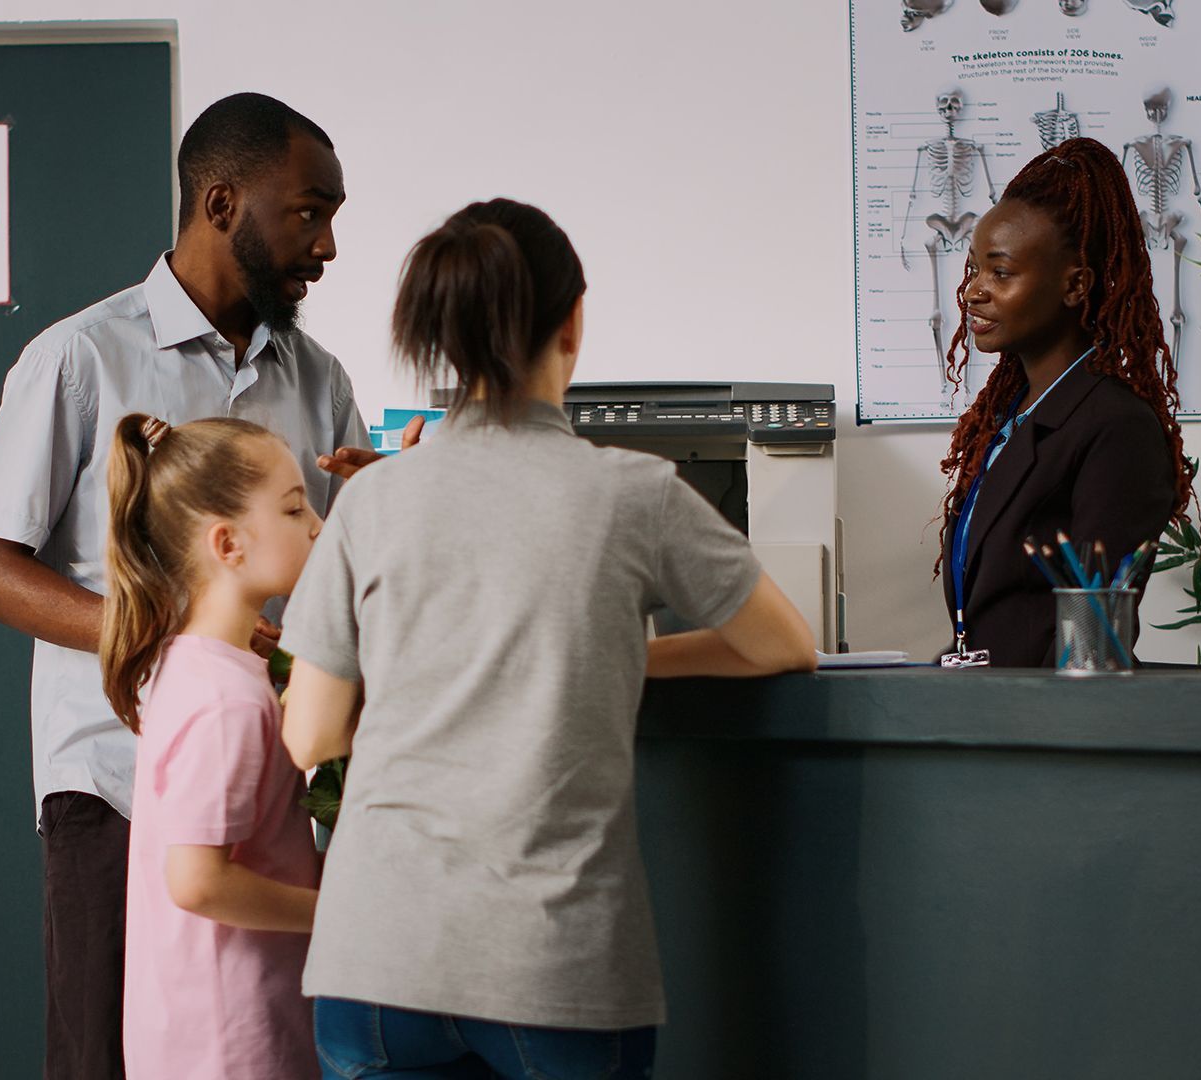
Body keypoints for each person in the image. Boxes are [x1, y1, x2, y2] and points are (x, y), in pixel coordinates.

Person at [277, 198, 817, 1079]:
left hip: (376, 958)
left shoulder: (374, 500)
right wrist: (608, 656)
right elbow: (781, 645)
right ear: (573, 320)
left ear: (439, 337)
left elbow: (312, 734)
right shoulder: (634, 493)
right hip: (551, 963)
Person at [0, 92, 397, 1079]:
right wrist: (170, 634)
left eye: (333, 218)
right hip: (112, 783)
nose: (326, 245)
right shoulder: (80, 358)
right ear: (223, 203)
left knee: (249, 1042)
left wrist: (385, 515)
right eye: (308, 212)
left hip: (271, 786)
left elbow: (345, 567)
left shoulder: (316, 376)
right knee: (105, 1053)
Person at [98, 413, 324, 1080]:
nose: (315, 522)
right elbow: (197, 881)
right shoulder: (227, 700)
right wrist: (340, 915)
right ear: (227, 544)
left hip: (192, 1032)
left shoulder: (195, 665)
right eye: (293, 507)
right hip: (234, 1044)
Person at [936, 136, 1195, 667]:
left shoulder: (1116, 428)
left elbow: (1090, 647)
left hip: (1047, 730)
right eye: (974, 270)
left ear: (1075, 285)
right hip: (985, 712)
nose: (972, 292)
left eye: (1001, 273)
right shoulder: (1015, 417)